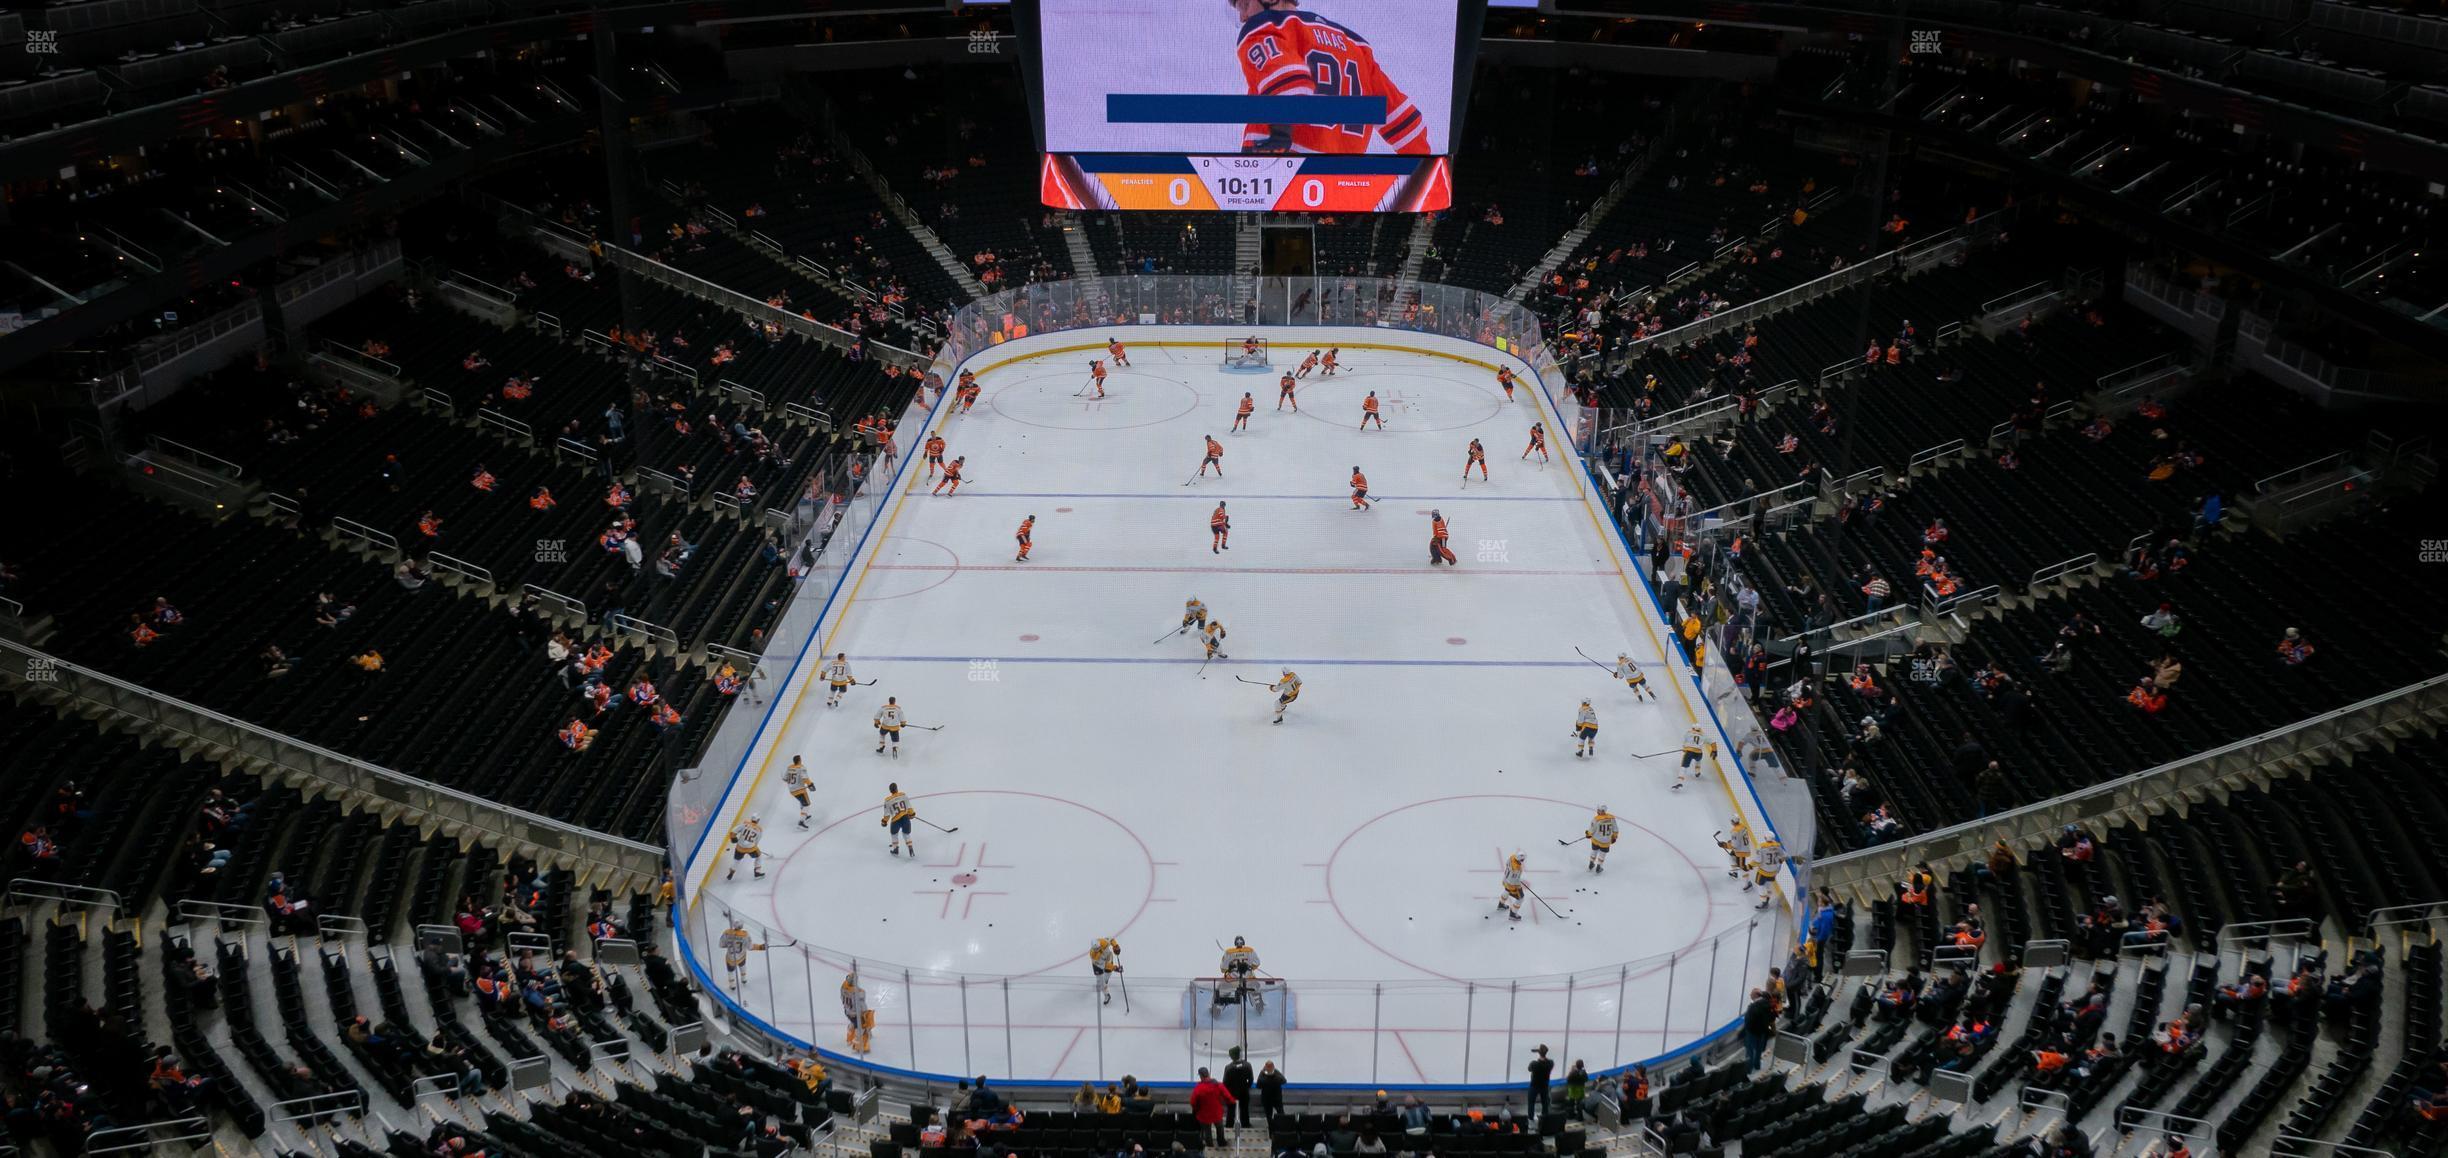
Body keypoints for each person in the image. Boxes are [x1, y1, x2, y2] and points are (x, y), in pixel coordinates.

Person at [1189, 1067, 1235, 1146]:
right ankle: (1221, 1142)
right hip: (1217, 1113)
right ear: (1208, 1074)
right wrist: (1232, 1102)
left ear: (1200, 1076)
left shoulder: (1198, 1088)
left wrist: (1196, 1109)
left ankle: (1210, 1144)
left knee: (1207, 1131)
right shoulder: (1218, 1085)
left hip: (1204, 1115)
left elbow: (1193, 1102)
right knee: (1220, 1128)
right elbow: (1228, 1097)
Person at [1742, 987, 1775, 1070]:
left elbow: (1749, 1020)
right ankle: (1757, 1065)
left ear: (1756, 995)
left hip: (1752, 1032)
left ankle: (1748, 1069)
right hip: (1762, 1031)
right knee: (1758, 1050)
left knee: (1750, 1051)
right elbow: (1771, 1017)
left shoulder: (1753, 1006)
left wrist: (1746, 1030)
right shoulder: (1767, 1004)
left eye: (1751, 994)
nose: (1750, 995)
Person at [1223, 1046, 1255, 1127]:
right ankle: (1245, 1124)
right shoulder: (1247, 1065)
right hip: (1244, 1091)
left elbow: (1225, 1082)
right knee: (1244, 1109)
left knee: (1231, 1109)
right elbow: (1251, 1079)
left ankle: (1229, 1124)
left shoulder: (1228, 1067)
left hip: (1232, 1092)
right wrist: (1246, 1087)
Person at [1524, 1044, 1554, 1122]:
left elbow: (1529, 1069)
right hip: (1544, 1086)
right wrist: (1540, 1052)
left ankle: (1530, 1118)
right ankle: (1545, 1118)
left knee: (1531, 1103)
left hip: (1534, 1086)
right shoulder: (1550, 1063)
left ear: (1539, 1053)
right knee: (1545, 1103)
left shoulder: (1534, 1064)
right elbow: (1545, 1061)